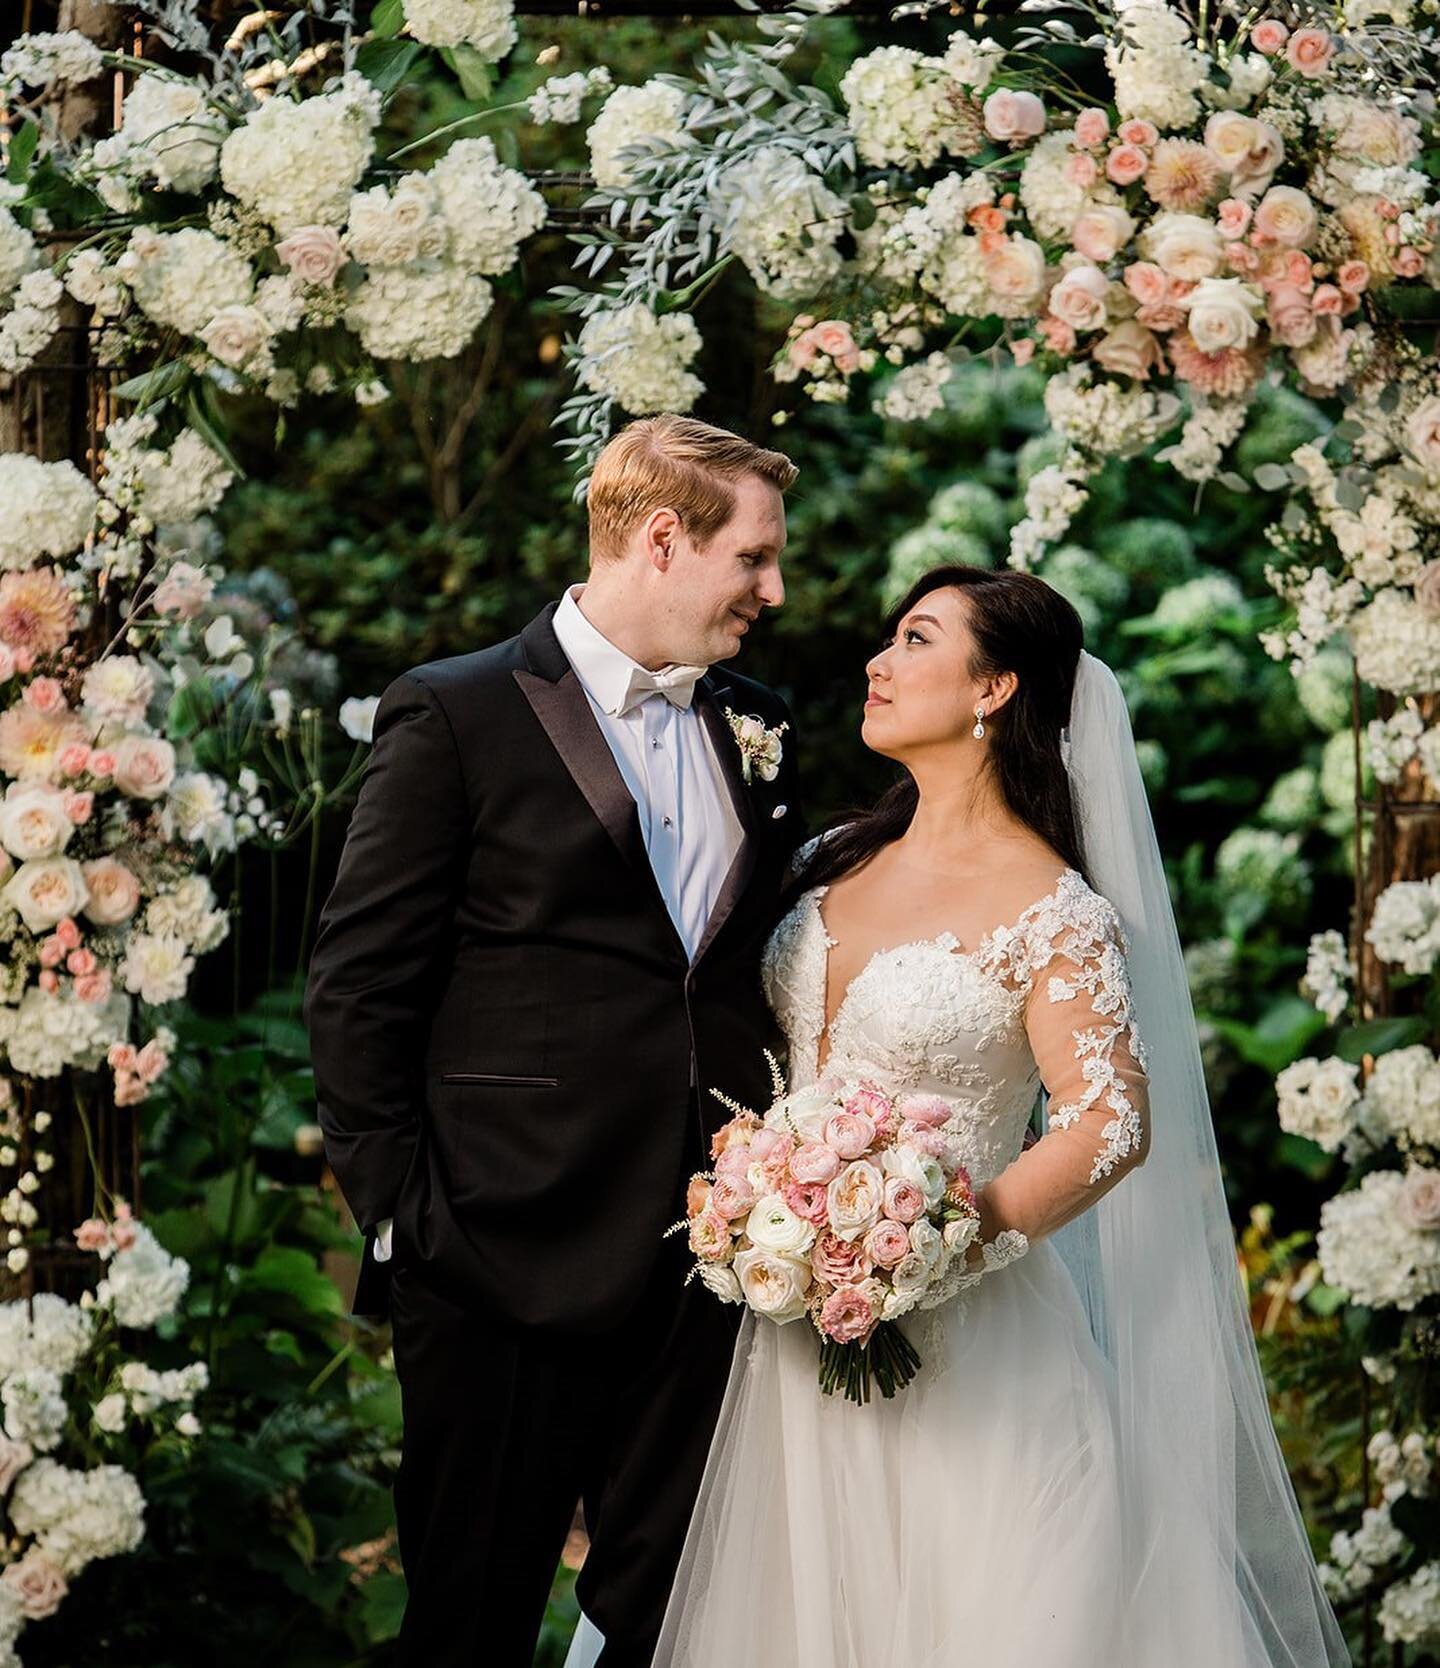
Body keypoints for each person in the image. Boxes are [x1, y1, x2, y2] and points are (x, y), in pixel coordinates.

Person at [608, 565, 1350, 1668]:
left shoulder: (1053, 908)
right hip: (785, 1336)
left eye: (915, 639)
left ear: (995, 687)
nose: (878, 662)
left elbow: (1109, 1124)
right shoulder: (824, 861)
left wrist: (929, 1249)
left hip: (969, 1345)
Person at [303, 414, 806, 1668]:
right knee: (467, 1624)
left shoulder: (759, 721)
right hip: (498, 1256)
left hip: (709, 1265)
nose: (773, 589)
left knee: (662, 1623)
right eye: (753, 557)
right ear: (660, 539)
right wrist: (409, 1217)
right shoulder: (456, 711)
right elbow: (359, 983)